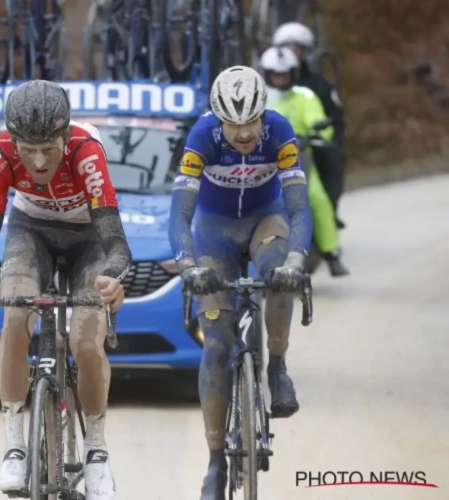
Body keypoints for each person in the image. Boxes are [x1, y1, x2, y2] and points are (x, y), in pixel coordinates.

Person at [0, 79, 131, 500]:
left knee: (85, 342)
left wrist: (112, 277)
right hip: (29, 232)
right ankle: (15, 444)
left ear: (65, 137)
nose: (37, 162)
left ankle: (96, 452)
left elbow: (116, 243)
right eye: (27, 149)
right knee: (16, 316)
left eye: (48, 149)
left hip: (87, 237)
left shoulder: (86, 152)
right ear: (13, 140)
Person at [168, 66, 312, 500]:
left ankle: (277, 367)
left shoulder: (279, 132)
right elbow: (179, 216)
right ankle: (215, 461)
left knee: (278, 273)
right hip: (214, 234)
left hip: (265, 221)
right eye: (235, 124)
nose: (245, 134)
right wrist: (190, 265)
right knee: (215, 343)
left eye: (252, 121)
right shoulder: (202, 138)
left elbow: (299, 210)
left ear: (264, 114)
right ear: (218, 120)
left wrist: (296, 259)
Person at [260, 46, 349, 277]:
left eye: (284, 74)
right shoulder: (260, 97)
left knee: (318, 200)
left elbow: (317, 120)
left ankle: (331, 254)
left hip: (300, 158)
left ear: (293, 73)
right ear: (266, 73)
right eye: (275, 75)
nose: (280, 79)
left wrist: (317, 132)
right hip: (263, 161)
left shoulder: (304, 96)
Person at [272, 22, 346, 228]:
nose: (292, 54)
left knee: (326, 176)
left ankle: (327, 225)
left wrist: (327, 139)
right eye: (287, 48)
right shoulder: (266, 82)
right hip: (275, 146)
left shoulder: (317, 84)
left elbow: (333, 117)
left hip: (310, 144)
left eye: (296, 48)